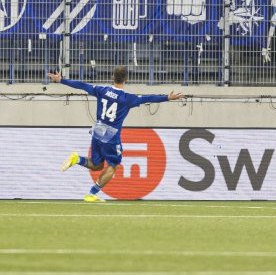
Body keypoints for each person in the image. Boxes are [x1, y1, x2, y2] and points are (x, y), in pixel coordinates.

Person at [49, 65, 182, 202]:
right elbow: (148, 98)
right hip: (110, 135)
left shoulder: (101, 90)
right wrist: (167, 97)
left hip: (98, 130)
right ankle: (92, 193)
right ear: (126, 79)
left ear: (112, 76)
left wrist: (61, 80)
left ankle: (77, 159)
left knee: (97, 165)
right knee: (113, 166)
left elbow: (82, 85)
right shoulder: (127, 98)